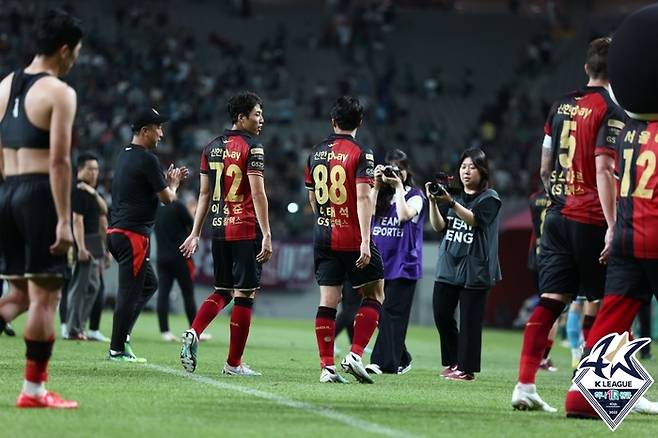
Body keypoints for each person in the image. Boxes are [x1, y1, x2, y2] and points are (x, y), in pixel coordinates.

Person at [512, 37, 625, 412]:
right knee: (605, 301)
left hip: (557, 214)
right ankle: (596, 386)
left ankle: (524, 385)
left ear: (586, 69)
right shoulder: (611, 110)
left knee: (552, 300)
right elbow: (605, 168)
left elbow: (544, 166)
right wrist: (612, 224)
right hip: (591, 217)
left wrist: (559, 196)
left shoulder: (560, 105)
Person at [565, 6, 658, 416]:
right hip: (654, 232)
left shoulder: (631, 129)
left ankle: (582, 399)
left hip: (625, 233)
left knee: (612, 320)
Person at [0, 9, 82, 408]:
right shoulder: (60, 92)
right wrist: (64, 220)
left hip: (7, 191)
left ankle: (35, 389)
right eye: (76, 52)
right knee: (44, 298)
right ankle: (34, 391)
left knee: (16, 297)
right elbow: (59, 162)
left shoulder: (4, 86)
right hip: (38, 195)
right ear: (65, 50)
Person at [179, 91, 272, 376]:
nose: (262, 120)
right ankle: (233, 364)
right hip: (244, 228)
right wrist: (266, 233)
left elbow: (204, 194)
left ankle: (194, 330)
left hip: (218, 229)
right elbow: (257, 192)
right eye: (257, 114)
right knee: (245, 294)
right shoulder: (253, 147)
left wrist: (196, 233)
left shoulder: (211, 147)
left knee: (222, 290)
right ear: (241, 117)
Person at [304, 95, 385, 384]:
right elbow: (363, 196)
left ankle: (327, 367)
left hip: (323, 236)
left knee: (328, 302)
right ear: (360, 123)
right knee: (375, 294)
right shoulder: (363, 153)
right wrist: (365, 240)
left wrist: (324, 220)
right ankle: (355, 354)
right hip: (352, 237)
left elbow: (312, 197)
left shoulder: (315, 152)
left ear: (333, 122)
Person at [107, 107, 188, 362]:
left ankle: (124, 337)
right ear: (145, 131)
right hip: (132, 234)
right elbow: (168, 199)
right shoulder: (147, 159)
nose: (161, 134)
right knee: (129, 292)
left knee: (149, 284)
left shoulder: (124, 155)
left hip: (117, 231)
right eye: (158, 128)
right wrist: (173, 183)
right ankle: (117, 348)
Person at [428, 147, 501, 382]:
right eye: (463, 166)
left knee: (470, 321)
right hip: (449, 264)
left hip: (475, 268)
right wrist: (433, 202)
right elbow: (439, 227)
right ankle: (454, 361)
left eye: (472, 167)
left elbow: (476, 219)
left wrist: (450, 202)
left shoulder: (490, 198)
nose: (466, 171)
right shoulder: (453, 196)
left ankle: (466, 369)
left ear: (482, 171)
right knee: (441, 314)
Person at [366, 149, 425, 375]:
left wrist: (399, 187)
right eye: (391, 167)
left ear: (407, 171)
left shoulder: (415, 195)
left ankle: (381, 363)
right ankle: (403, 357)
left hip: (404, 265)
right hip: (380, 264)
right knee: (381, 315)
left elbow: (403, 215)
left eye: (399, 168)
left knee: (391, 313)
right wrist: (377, 186)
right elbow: (367, 213)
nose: (394, 172)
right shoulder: (380, 194)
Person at [65, 152, 107, 340]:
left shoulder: (89, 192)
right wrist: (81, 248)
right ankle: (73, 329)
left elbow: (104, 209)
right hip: (82, 241)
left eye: (97, 169)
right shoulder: (78, 191)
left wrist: (94, 192)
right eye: (90, 169)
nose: (94, 173)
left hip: (93, 241)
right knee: (79, 287)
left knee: (93, 285)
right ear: (80, 169)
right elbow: (77, 221)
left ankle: (78, 327)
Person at [154, 193, 198, 342]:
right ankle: (195, 330)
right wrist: (192, 211)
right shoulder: (178, 206)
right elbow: (193, 225)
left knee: (163, 294)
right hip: (180, 256)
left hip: (161, 257)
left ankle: (165, 331)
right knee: (188, 292)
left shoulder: (157, 208)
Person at [527, 188, 558, 373]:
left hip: (536, 257)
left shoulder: (534, 198)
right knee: (554, 310)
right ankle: (543, 357)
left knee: (542, 306)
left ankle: (538, 355)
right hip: (554, 257)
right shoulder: (563, 196)